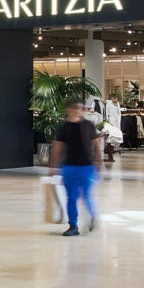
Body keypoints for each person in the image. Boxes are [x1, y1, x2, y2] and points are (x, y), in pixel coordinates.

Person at [51, 100, 98, 236]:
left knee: (86, 196)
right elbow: (58, 147)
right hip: (69, 166)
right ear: (69, 109)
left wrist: (99, 162)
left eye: (81, 108)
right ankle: (73, 225)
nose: (78, 111)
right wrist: (53, 166)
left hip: (87, 166)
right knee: (71, 198)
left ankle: (91, 215)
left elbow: (96, 144)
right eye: (76, 108)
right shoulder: (64, 127)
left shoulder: (88, 125)